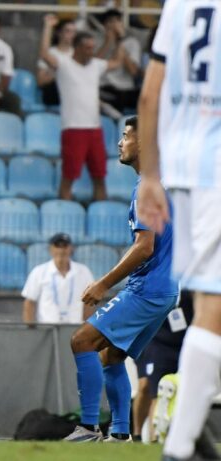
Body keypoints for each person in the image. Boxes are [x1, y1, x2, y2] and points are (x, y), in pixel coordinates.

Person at [136, 1, 221, 459]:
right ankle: (181, 445)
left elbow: (150, 94)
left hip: (182, 167)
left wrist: (150, 175)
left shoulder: (180, 5)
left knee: (208, 305)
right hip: (217, 172)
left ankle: (193, 425)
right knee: (212, 310)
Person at [63, 116, 178, 443]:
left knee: (82, 341)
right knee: (111, 356)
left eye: (126, 136)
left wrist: (104, 283)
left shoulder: (147, 188)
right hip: (164, 290)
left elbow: (144, 246)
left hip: (149, 288)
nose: (120, 142)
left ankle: (88, 428)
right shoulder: (158, 183)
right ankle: (121, 434)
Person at [39, 15, 124, 201]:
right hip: (73, 128)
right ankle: (65, 212)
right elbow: (45, 55)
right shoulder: (64, 63)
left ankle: (100, 212)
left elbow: (118, 61)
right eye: (87, 48)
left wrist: (118, 38)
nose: (91, 52)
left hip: (95, 129)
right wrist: (48, 27)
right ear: (77, 48)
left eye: (92, 48)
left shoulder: (96, 65)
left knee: (99, 177)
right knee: (68, 178)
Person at [132, 290, 193, 443]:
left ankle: (175, 437)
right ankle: (143, 437)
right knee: (148, 388)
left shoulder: (195, 282)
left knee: (174, 390)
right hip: (154, 340)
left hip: (184, 343)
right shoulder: (158, 281)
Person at [21, 233, 95, 324]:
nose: (61, 250)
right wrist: (31, 328)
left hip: (75, 327)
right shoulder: (39, 272)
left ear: (71, 248)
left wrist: (87, 326)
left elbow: (89, 303)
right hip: (47, 327)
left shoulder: (83, 271)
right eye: (57, 246)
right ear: (50, 249)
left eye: (65, 246)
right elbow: (30, 302)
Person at [97, 9, 142, 113]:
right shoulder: (97, 41)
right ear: (104, 25)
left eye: (117, 21)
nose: (114, 25)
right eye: (110, 22)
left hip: (124, 89)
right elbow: (92, 64)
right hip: (104, 87)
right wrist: (108, 42)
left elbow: (133, 71)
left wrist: (120, 40)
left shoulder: (132, 42)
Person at [35, 19, 75, 106]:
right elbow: (40, 82)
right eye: (68, 31)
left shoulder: (77, 54)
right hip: (54, 94)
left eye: (73, 32)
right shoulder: (51, 53)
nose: (71, 35)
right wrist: (55, 72)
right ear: (59, 33)